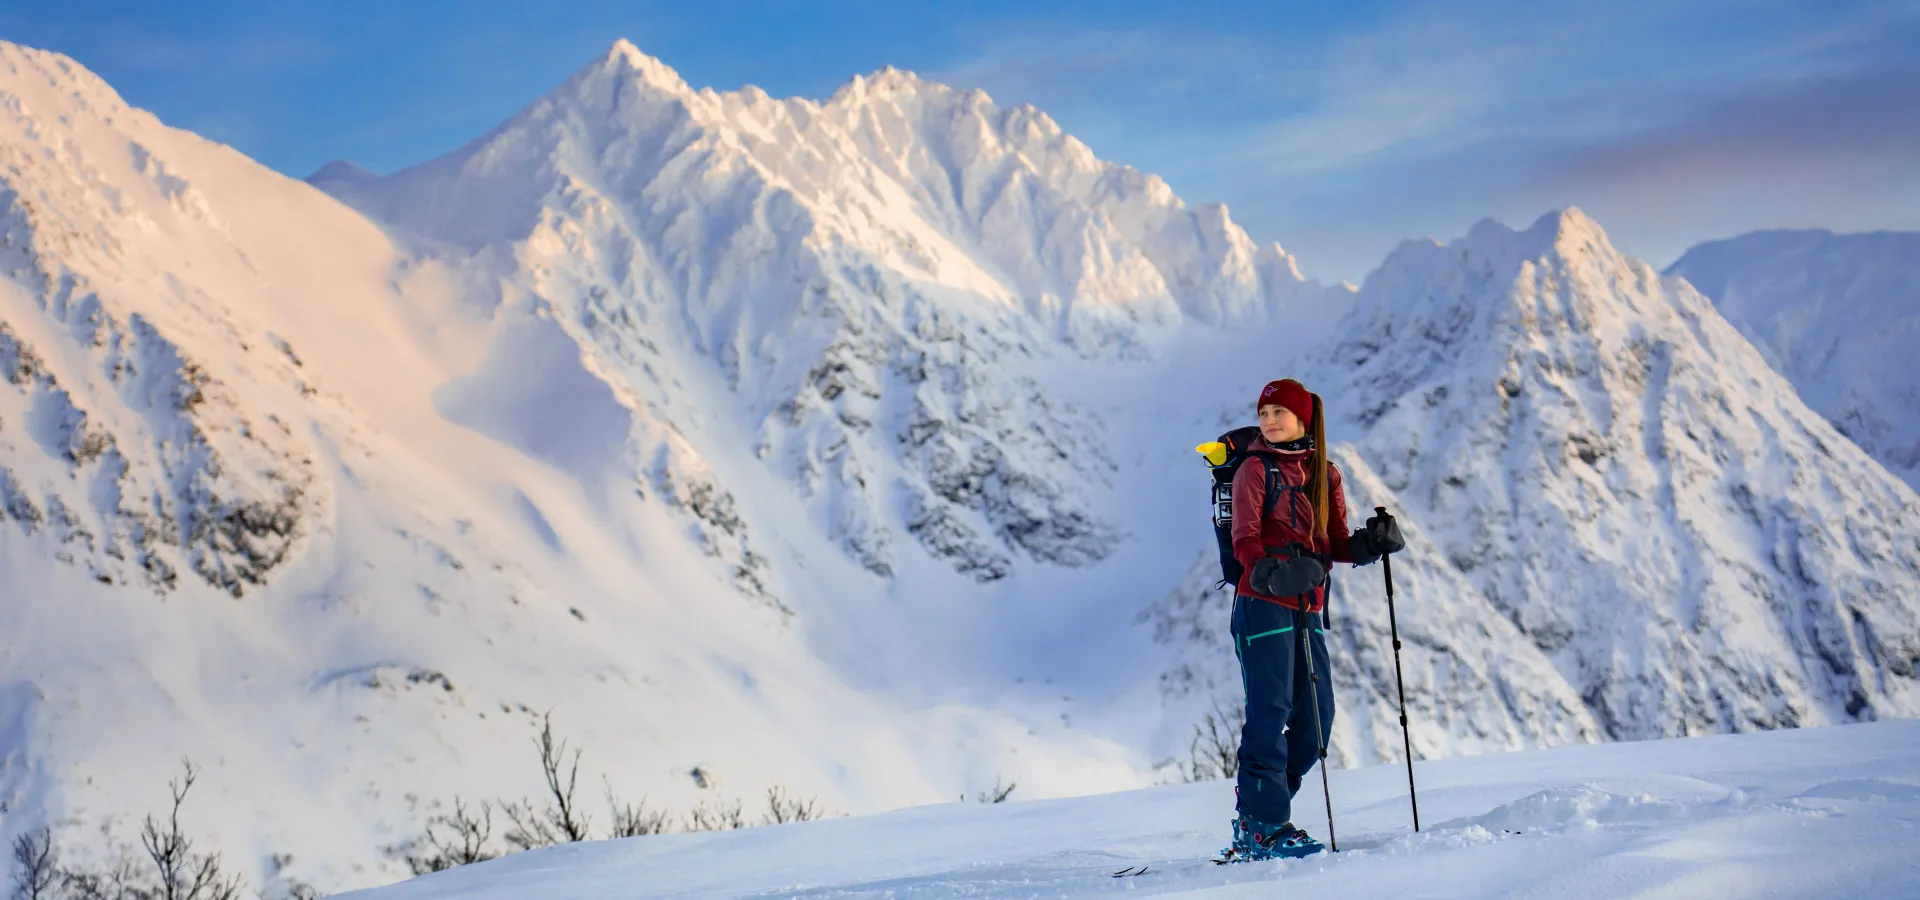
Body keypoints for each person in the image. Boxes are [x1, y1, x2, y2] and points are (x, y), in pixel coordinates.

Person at [1224, 378, 1404, 861]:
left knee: (1317, 720)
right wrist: (1273, 575)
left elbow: (1335, 542)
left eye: (1278, 412)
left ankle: (1256, 816)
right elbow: (1245, 541)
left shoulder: (1326, 474)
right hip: (1262, 607)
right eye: (1263, 414)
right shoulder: (1252, 471)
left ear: (1304, 419)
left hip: (1308, 609)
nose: (1268, 421)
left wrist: (1370, 544)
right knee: (1270, 711)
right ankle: (1264, 825)